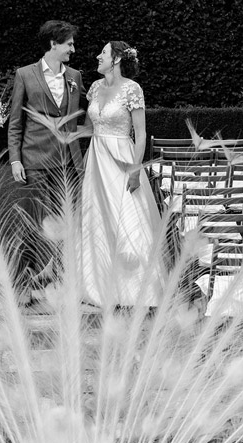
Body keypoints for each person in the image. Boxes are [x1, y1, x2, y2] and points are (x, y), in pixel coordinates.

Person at [76, 41, 164, 307]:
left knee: (126, 217)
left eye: (103, 53)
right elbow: (88, 128)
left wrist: (136, 170)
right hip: (97, 160)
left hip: (122, 160)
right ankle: (97, 286)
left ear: (115, 59)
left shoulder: (132, 89)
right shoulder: (94, 87)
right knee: (96, 218)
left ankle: (134, 290)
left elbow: (141, 133)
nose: (97, 56)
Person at [6, 20, 85, 300]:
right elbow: (15, 122)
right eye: (69, 44)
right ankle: (21, 285)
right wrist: (15, 159)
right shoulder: (25, 75)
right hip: (34, 160)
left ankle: (61, 283)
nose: (73, 49)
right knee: (30, 224)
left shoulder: (75, 77)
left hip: (67, 163)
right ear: (53, 43)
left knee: (68, 225)